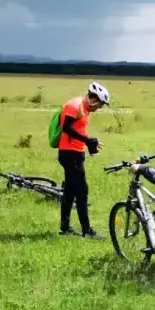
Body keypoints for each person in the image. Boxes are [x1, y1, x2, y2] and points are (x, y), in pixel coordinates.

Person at [56, 82, 109, 237]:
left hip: (75, 154)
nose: (99, 108)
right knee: (82, 191)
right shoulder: (75, 105)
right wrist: (87, 140)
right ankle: (87, 230)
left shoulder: (85, 109)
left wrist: (90, 145)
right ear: (94, 99)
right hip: (69, 154)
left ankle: (65, 228)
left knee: (70, 191)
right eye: (100, 104)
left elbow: (78, 131)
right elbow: (66, 128)